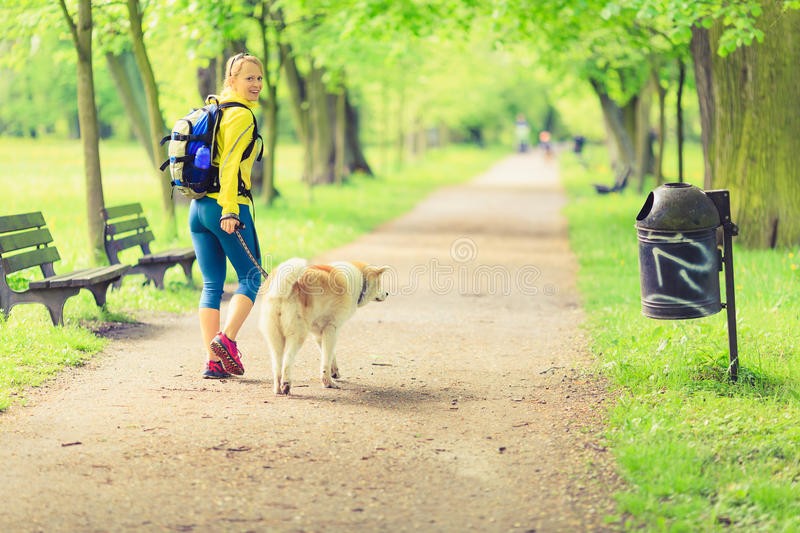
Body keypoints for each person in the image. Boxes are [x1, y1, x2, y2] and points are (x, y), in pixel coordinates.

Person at [189, 52, 265, 379]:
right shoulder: (242, 116)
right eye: (249, 78)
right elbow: (232, 163)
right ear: (231, 80)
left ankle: (213, 362)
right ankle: (227, 339)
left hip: (199, 208)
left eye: (259, 78)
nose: (256, 85)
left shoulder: (215, 108)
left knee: (212, 284)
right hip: (226, 206)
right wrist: (231, 210)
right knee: (251, 277)